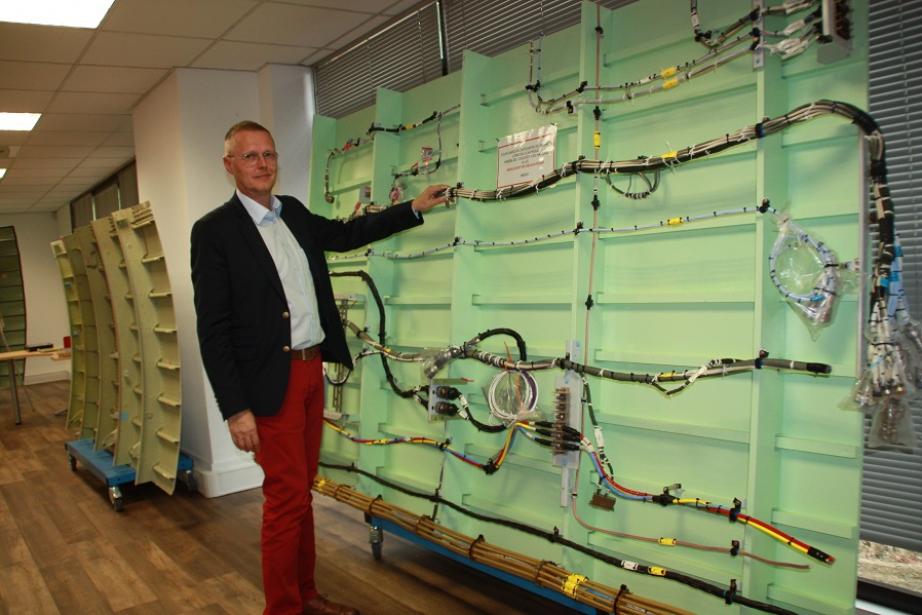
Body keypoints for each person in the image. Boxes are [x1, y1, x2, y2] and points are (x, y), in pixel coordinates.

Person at [191, 120, 448, 615]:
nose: (262, 164)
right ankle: (283, 608)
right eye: (250, 156)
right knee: (285, 499)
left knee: (300, 492)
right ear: (229, 166)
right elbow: (213, 329)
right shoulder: (214, 232)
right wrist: (235, 408)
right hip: (271, 383)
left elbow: (349, 234)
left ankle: (305, 595)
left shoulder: (295, 215)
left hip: (311, 372)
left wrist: (412, 208)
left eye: (268, 154)